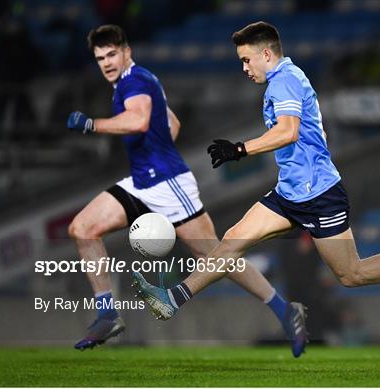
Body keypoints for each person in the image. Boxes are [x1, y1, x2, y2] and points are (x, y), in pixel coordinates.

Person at [132, 21, 380, 344]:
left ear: (266, 54)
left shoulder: (286, 79)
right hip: (290, 193)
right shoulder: (281, 80)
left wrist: (240, 149)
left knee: (352, 274)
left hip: (320, 194)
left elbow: (288, 131)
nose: (244, 68)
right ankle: (172, 300)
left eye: (246, 59)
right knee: (231, 242)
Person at [66, 24, 307, 356]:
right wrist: (157, 146)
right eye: (100, 58)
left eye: (111, 55)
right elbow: (172, 123)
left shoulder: (135, 81)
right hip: (142, 181)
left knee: (217, 257)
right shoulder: (138, 80)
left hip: (168, 185)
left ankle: (284, 310)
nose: (106, 63)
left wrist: (92, 124)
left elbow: (137, 121)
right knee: (82, 228)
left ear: (127, 53)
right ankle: (107, 314)